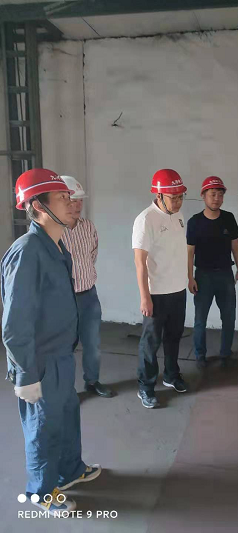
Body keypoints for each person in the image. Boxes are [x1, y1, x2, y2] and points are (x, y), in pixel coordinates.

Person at [1, 169, 101, 516]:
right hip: (39, 360)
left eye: (71, 198)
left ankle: (69, 470)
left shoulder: (57, 247)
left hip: (60, 354)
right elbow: (14, 325)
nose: (72, 204)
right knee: (43, 426)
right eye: (62, 198)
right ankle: (41, 492)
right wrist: (26, 376)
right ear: (38, 206)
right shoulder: (27, 252)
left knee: (67, 415)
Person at [132, 169, 188, 408]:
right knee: (151, 342)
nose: (177, 202)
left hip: (178, 289)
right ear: (158, 195)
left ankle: (171, 375)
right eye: (173, 197)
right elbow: (140, 262)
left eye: (180, 197)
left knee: (174, 336)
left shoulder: (178, 215)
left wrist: (188, 278)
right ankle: (146, 387)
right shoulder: (146, 220)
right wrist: (145, 297)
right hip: (156, 293)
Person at [61, 176, 114, 398]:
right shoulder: (55, 232)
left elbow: (92, 255)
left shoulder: (88, 227)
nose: (77, 206)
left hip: (89, 296)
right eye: (72, 201)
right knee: (65, 347)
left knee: (92, 344)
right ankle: (65, 390)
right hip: (64, 299)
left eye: (80, 201)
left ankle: (92, 381)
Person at [187, 176, 238, 369]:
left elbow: (235, 246)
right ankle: (200, 355)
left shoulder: (228, 218)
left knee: (229, 317)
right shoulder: (195, 222)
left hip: (225, 275)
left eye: (220, 195)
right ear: (203, 196)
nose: (216, 198)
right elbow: (190, 252)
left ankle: (226, 353)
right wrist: (190, 277)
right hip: (203, 276)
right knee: (200, 320)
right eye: (212, 194)